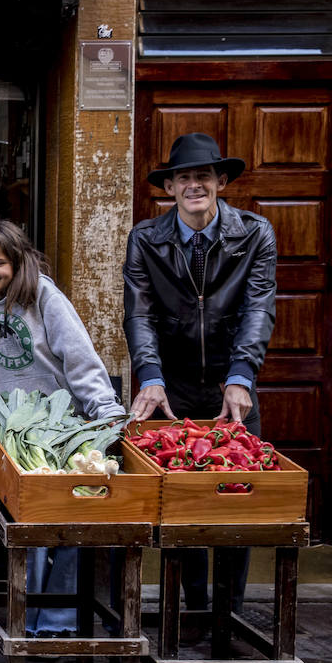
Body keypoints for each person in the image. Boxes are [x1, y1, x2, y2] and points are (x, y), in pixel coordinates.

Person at [0, 220, 124, 637]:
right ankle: (30, 621)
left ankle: (56, 621)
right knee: (28, 530)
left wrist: (107, 414)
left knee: (66, 523)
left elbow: (80, 359)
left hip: (62, 428)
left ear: (18, 262)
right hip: (10, 433)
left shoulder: (45, 297)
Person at [124, 132, 277, 616]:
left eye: (204, 176)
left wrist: (242, 374)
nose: (194, 185)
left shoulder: (255, 233)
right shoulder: (146, 239)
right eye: (184, 177)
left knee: (237, 497)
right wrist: (149, 375)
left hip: (233, 384)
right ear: (169, 187)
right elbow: (139, 313)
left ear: (221, 181)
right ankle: (191, 606)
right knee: (182, 500)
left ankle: (228, 612)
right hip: (172, 387)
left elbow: (259, 306)